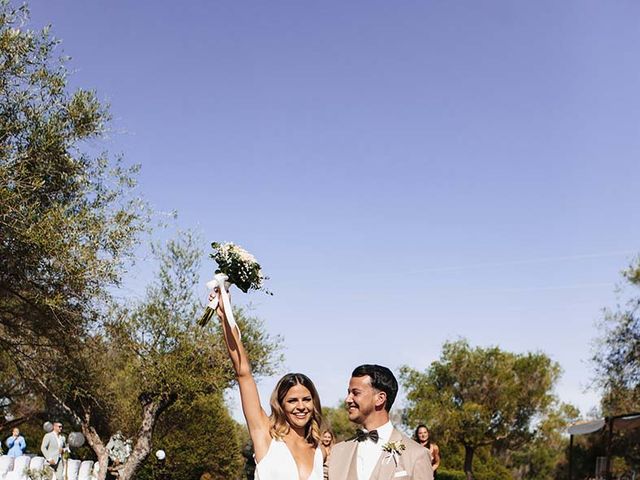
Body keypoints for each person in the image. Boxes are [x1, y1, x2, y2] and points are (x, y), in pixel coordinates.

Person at [213, 288, 324, 480]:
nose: (301, 406)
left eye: (306, 399)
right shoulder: (266, 435)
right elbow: (243, 374)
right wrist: (225, 315)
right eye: (292, 401)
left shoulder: (318, 448)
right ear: (281, 405)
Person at [328, 364, 433, 480]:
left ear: (380, 399)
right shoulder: (337, 452)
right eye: (348, 393)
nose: (348, 399)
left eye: (356, 393)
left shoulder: (417, 454)